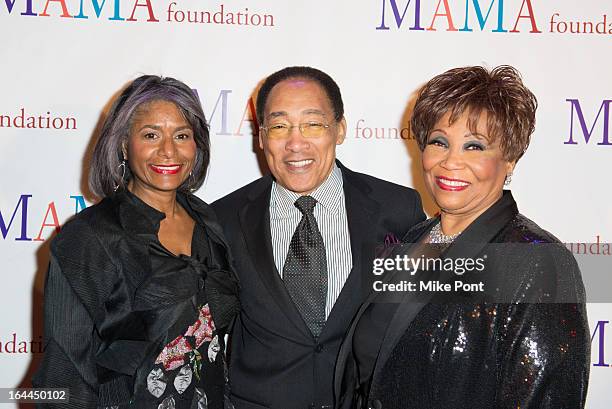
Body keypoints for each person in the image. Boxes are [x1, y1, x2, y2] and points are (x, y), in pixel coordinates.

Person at [335, 66, 590, 409]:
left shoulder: (536, 263)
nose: (451, 162)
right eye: (439, 142)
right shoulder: (414, 238)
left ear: (510, 159)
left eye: (474, 146)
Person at [212, 66, 425, 409]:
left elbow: (421, 320)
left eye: (313, 124)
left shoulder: (397, 209)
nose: (296, 143)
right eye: (280, 126)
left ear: (340, 129)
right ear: (262, 136)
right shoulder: (223, 219)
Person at [33, 75, 239, 409]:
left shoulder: (207, 222)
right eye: (151, 135)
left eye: (182, 135)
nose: (169, 151)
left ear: (197, 145)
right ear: (123, 145)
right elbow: (63, 375)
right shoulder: (89, 238)